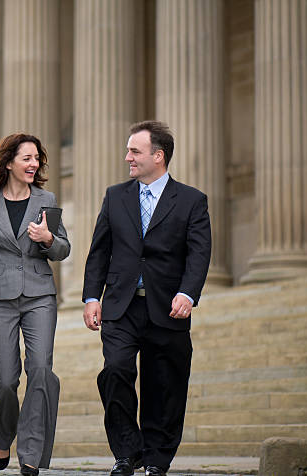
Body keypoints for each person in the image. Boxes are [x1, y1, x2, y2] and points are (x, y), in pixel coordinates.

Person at [82, 121, 211, 476]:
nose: (128, 158)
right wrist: (91, 297)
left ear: (159, 155)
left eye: (135, 151)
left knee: (164, 385)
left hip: (168, 306)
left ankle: (156, 460)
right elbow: (99, 251)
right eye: (128, 151)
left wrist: (188, 293)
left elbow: (199, 254)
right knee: (115, 370)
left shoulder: (191, 200)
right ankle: (127, 452)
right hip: (121, 306)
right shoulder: (115, 196)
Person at [0, 133, 70, 476]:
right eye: (26, 158)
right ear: (8, 162)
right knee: (6, 379)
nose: (33, 164)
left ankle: (31, 453)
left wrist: (48, 239)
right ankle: (2, 434)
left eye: (37, 158)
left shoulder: (46, 198)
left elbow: (63, 249)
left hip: (39, 294)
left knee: (40, 369)